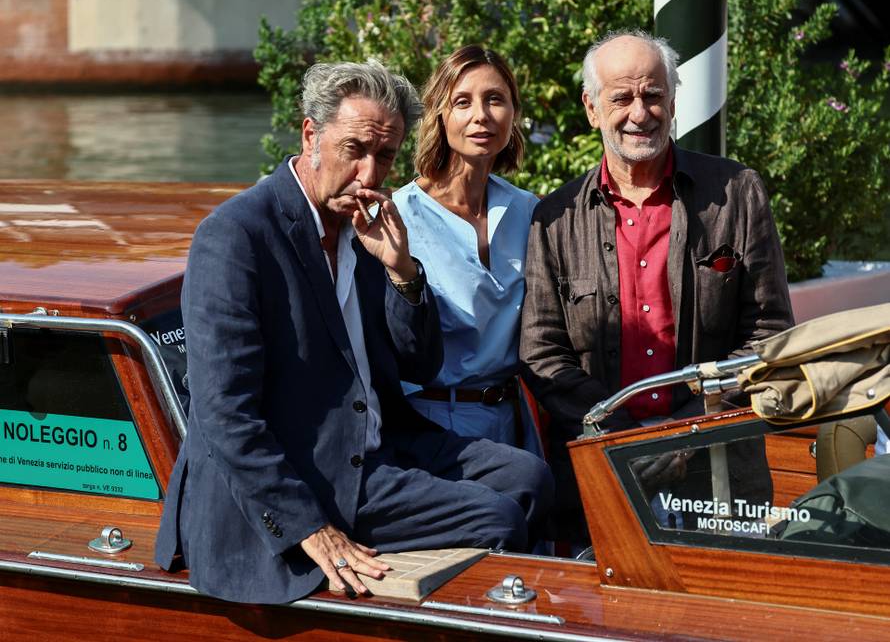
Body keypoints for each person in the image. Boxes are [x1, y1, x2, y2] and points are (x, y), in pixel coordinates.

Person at [155, 59, 553, 604]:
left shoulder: (365, 229)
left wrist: (403, 273)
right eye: (354, 150)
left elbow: (418, 365)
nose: (369, 174)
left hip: (380, 446)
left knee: (529, 477)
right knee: (497, 516)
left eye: (384, 155)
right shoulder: (236, 235)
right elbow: (224, 412)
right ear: (311, 134)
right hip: (310, 473)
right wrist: (307, 527)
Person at [520, 30, 794, 549]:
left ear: (673, 100)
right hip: (599, 470)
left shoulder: (735, 193)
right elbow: (542, 352)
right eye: (621, 97)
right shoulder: (553, 218)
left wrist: (684, 433)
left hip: (718, 466)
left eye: (653, 95)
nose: (639, 112)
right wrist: (622, 433)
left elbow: (770, 333)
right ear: (592, 108)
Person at [392, 45, 542, 456]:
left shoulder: (529, 211)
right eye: (463, 102)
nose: (481, 115)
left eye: (495, 99)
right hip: (433, 421)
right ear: (440, 114)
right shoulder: (397, 216)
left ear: (513, 113)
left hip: (517, 421)